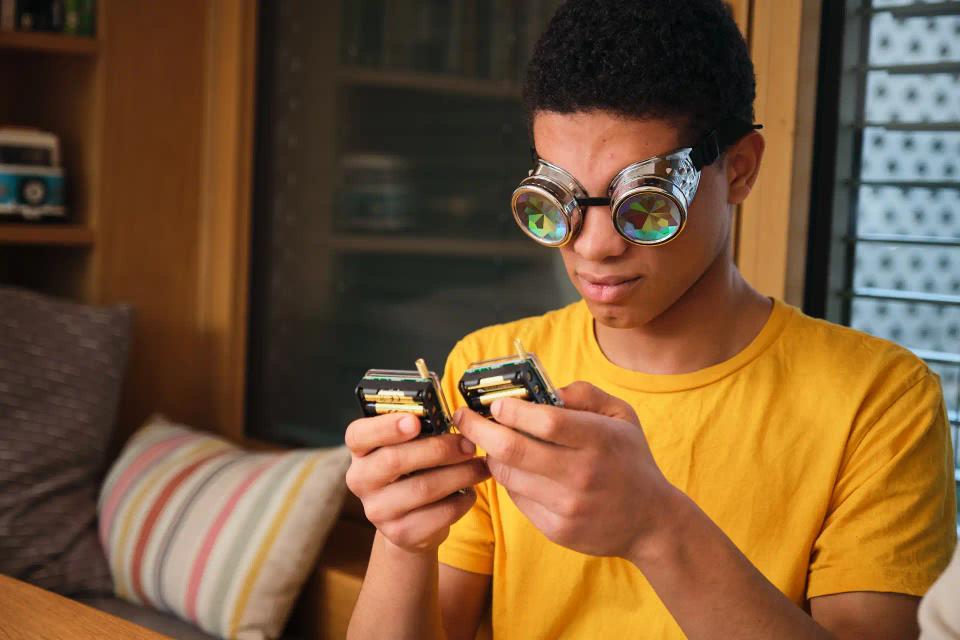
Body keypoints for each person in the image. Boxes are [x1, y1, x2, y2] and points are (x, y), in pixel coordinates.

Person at [343, 1, 958, 638]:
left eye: (644, 203)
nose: (594, 245)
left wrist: (656, 529)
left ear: (739, 169)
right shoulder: (488, 366)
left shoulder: (878, 398)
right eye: (559, 200)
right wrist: (401, 542)